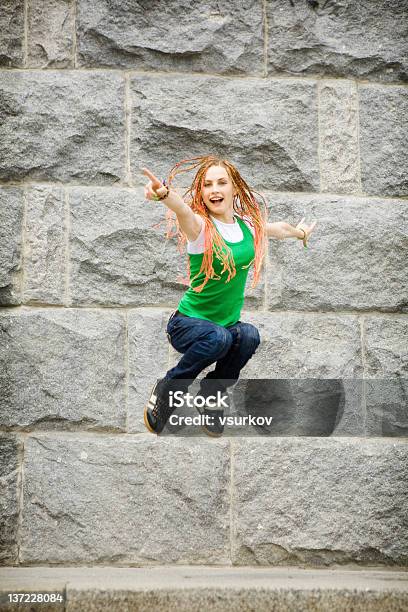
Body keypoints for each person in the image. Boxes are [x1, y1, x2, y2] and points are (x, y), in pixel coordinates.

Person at [142, 155, 317, 436]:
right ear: (202, 193)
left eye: (222, 183)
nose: (214, 190)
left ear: (234, 188)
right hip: (187, 324)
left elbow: (277, 229)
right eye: (208, 185)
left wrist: (300, 233)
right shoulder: (200, 228)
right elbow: (182, 211)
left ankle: (211, 395)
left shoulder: (246, 225)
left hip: (224, 325)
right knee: (219, 338)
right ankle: (169, 387)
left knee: (248, 336)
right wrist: (164, 195)